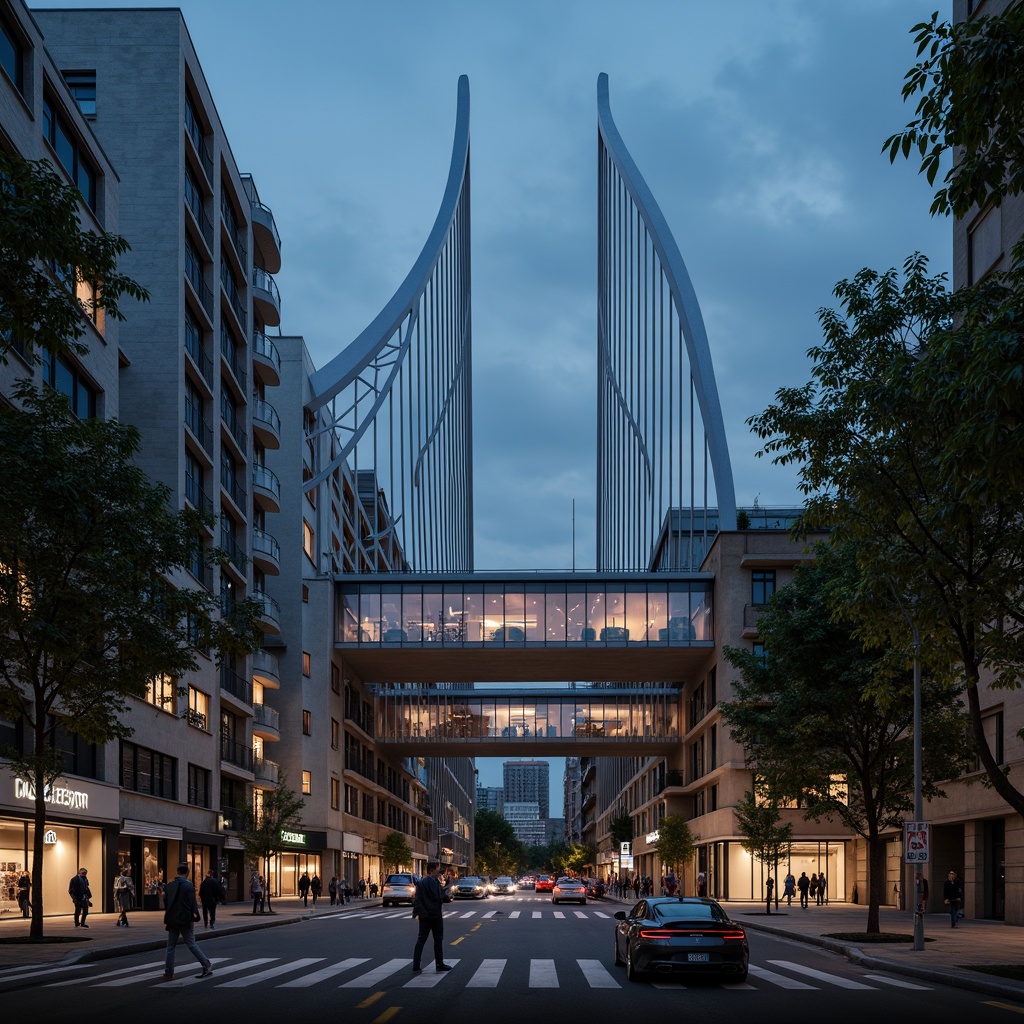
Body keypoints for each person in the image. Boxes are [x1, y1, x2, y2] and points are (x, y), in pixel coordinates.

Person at [162, 863, 213, 980]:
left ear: (177, 872)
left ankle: (169, 971)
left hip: (172, 919)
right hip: (185, 918)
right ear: (188, 873)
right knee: (191, 943)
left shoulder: (169, 886)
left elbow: (166, 901)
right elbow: (193, 904)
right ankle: (206, 965)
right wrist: (197, 916)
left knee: (170, 946)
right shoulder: (188, 886)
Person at [411, 862, 453, 973]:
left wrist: (420, 913)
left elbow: (417, 900)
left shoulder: (421, 883)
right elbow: (440, 897)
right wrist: (447, 894)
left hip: (425, 916)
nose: (439, 871)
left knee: (421, 940)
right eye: (438, 869)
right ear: (432, 870)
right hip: (435, 915)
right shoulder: (434, 882)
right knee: (438, 940)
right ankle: (439, 964)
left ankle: (416, 965)